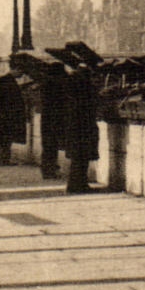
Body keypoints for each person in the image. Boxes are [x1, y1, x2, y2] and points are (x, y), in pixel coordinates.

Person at [63, 66, 99, 194]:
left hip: (74, 127)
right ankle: (79, 185)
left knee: (77, 159)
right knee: (82, 159)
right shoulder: (85, 89)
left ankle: (76, 184)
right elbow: (93, 104)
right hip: (84, 128)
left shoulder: (71, 89)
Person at [0, 69, 28, 166]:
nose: (21, 74)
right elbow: (9, 97)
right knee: (5, 138)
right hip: (5, 115)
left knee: (2, 138)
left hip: (2, 114)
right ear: (14, 69)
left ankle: (2, 159)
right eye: (20, 72)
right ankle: (3, 159)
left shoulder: (5, 80)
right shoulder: (6, 80)